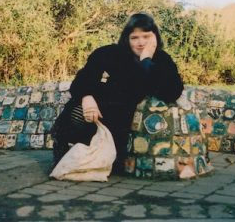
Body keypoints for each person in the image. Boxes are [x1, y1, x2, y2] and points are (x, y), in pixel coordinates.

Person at [51, 12, 184, 174]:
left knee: (109, 165)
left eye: (146, 37)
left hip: (119, 122)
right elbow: (82, 79)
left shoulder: (162, 60)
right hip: (94, 112)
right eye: (135, 38)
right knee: (78, 112)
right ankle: (64, 145)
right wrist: (87, 98)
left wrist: (146, 61)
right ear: (127, 38)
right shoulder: (108, 54)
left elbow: (172, 91)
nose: (141, 42)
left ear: (155, 38)